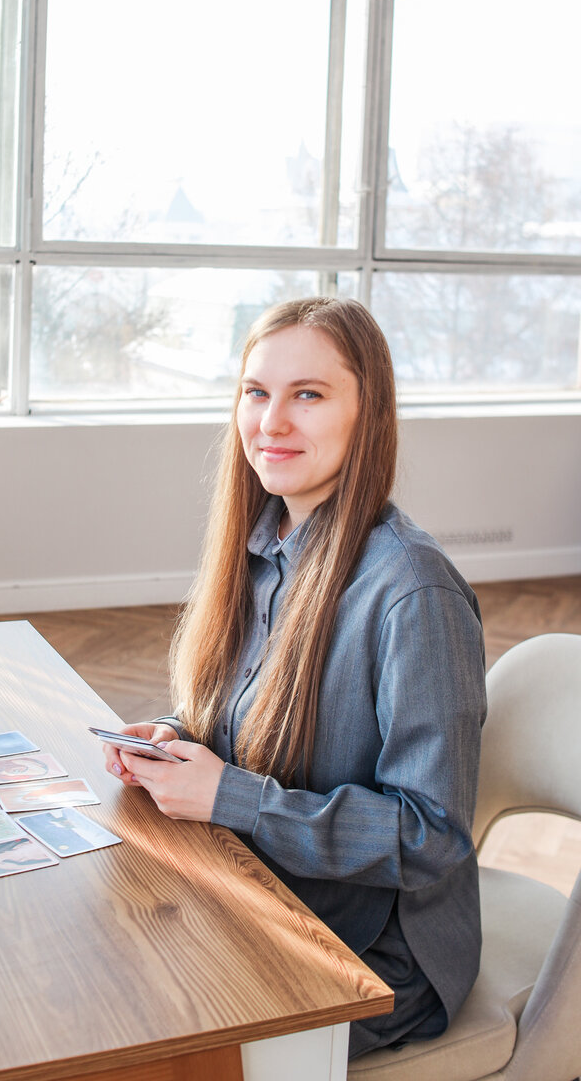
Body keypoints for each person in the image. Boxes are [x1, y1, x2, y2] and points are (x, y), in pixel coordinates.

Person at [100, 296, 486, 1059]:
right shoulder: (264, 543)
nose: (272, 422)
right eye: (256, 392)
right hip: (273, 891)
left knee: (143, 1039)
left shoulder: (414, 591)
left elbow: (430, 837)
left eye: (307, 395)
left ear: (365, 412)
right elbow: (252, 732)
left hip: (373, 959)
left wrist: (226, 795)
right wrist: (179, 743)